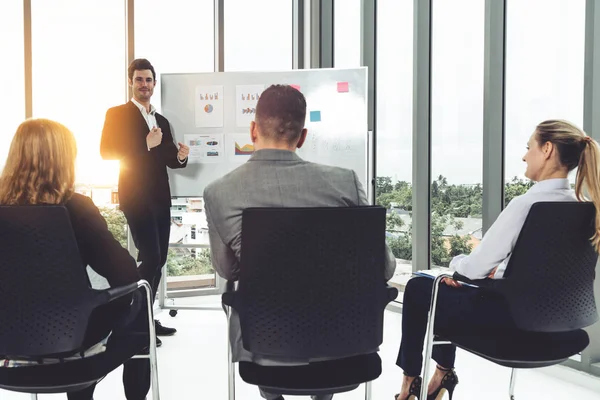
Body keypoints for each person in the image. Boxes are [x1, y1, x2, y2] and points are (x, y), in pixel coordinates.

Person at [203, 84, 397, 400]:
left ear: (253, 130)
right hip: (346, 350)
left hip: (266, 354)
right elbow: (385, 268)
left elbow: (228, 270)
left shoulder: (219, 192)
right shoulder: (344, 181)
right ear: (302, 136)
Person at [394, 119, 600, 400]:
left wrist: (455, 264)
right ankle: (442, 374)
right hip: (561, 327)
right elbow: (542, 271)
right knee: (444, 287)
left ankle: (411, 384)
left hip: (509, 325)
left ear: (548, 149)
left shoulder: (526, 205)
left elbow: (474, 269)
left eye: (530, 147)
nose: (525, 155)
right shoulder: (586, 209)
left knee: (421, 286)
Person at [0, 118, 151, 400]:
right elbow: (125, 274)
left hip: (6, 344)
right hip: (70, 340)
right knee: (140, 311)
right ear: (63, 160)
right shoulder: (76, 208)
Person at [100, 58, 189, 342]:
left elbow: (168, 159)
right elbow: (106, 151)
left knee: (159, 259)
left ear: (153, 83)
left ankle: (145, 318)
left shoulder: (161, 120)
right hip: (136, 198)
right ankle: (136, 322)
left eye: (148, 80)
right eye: (139, 80)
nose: (144, 85)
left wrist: (181, 157)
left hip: (161, 198)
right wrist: (143, 144)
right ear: (131, 82)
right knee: (149, 257)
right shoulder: (117, 114)